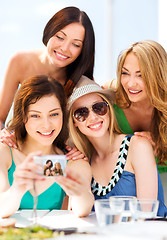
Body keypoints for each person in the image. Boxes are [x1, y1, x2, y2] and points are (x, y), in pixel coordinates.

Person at [67, 75, 167, 217]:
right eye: (81, 113)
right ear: (74, 122)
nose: (93, 117)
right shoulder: (83, 161)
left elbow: (146, 216)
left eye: (98, 108)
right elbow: (74, 213)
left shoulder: (138, 147)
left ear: (108, 109)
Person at [0, 75, 94, 218]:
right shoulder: (5, 152)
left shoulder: (72, 161)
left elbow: (82, 210)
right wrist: (18, 187)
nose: (46, 125)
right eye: (35, 116)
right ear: (22, 116)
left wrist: (79, 191)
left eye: (54, 114)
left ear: (63, 114)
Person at [0, 6, 95, 135]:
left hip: (60, 150)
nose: (65, 48)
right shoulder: (20, 62)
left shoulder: (82, 82)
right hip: (20, 142)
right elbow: (1, 119)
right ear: (50, 31)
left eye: (76, 44)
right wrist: (4, 136)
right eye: (60, 37)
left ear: (83, 50)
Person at [103, 40, 167, 174]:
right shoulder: (112, 94)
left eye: (141, 75)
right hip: (126, 180)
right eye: (125, 73)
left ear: (158, 75)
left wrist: (160, 147)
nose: (131, 84)